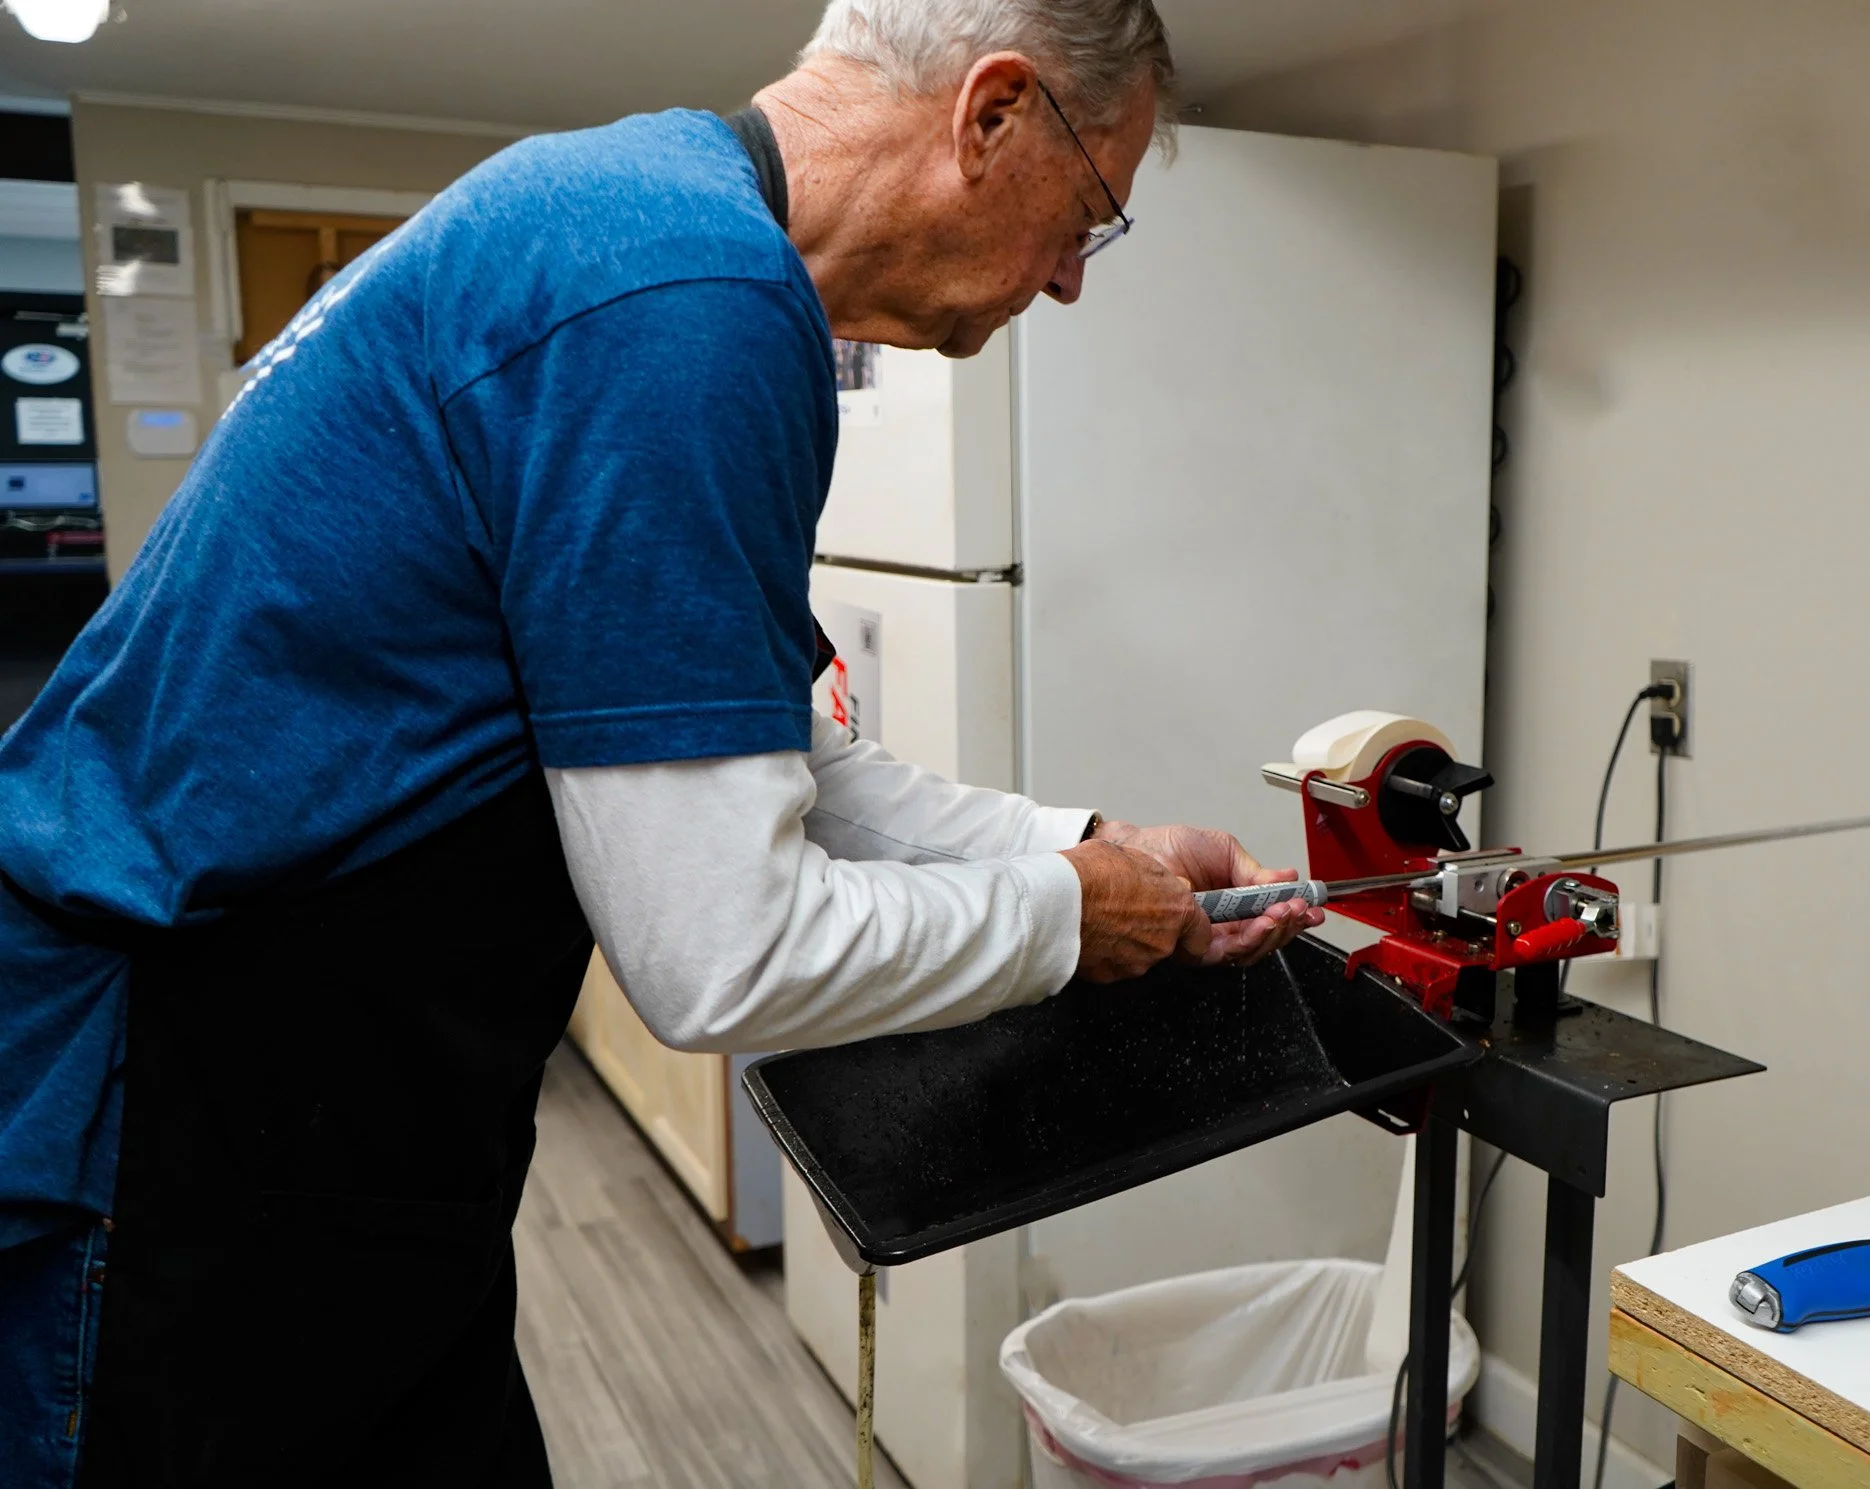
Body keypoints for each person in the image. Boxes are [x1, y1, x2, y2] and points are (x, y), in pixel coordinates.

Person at [0, 0, 1323, 1482]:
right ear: (993, 113)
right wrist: (1076, 918)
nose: (1072, 280)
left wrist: (1087, 848)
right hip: (184, 1114)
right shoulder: (682, 298)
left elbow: (771, 762)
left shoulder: (641, 225)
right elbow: (722, 950)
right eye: (1088, 216)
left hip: (350, 1120)